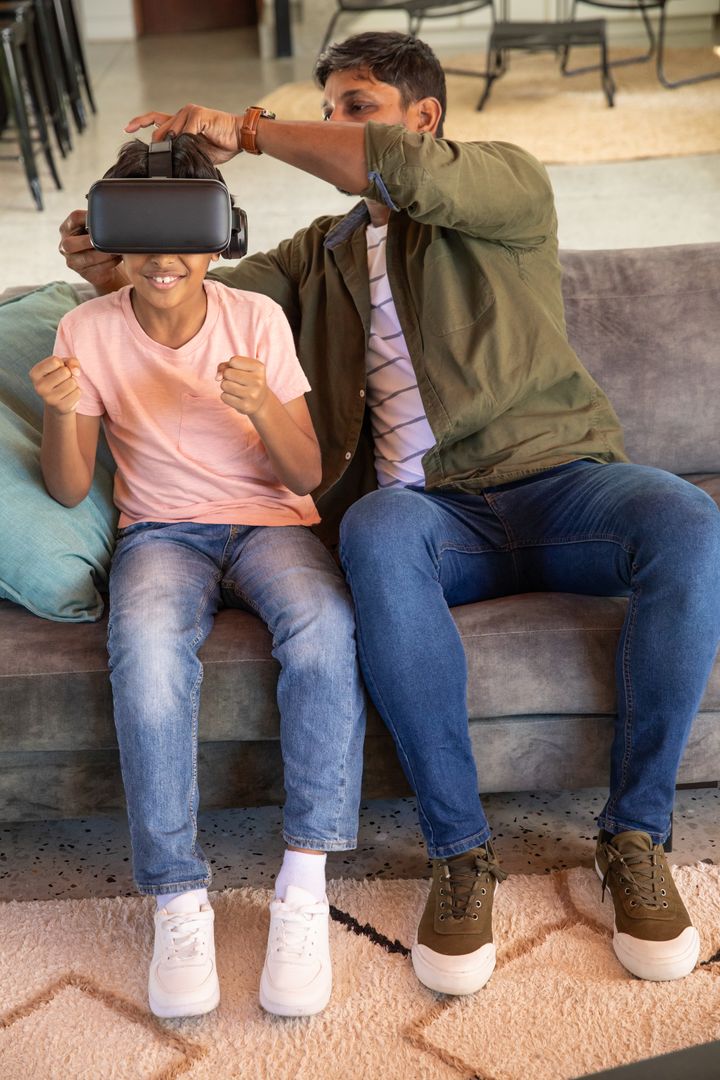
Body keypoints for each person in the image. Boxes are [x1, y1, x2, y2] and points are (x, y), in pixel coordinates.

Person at [59, 32, 720, 994]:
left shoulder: (503, 187)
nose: (334, 127)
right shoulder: (316, 254)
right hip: (429, 516)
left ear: (424, 117)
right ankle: (459, 852)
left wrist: (247, 127)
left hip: (560, 481)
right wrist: (114, 261)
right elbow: (189, 300)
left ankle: (635, 837)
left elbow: (395, 174)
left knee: (688, 518)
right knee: (371, 528)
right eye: (325, 108)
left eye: (355, 106)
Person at [35, 133, 367, 1020]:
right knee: (144, 648)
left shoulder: (255, 316)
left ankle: (303, 884)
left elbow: (304, 476)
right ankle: (178, 898)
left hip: (269, 524)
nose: (164, 259)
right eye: (142, 238)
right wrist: (63, 412)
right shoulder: (85, 329)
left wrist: (262, 407)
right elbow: (68, 488)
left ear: (221, 236)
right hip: (163, 533)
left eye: (185, 235)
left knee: (326, 628)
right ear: (114, 244)